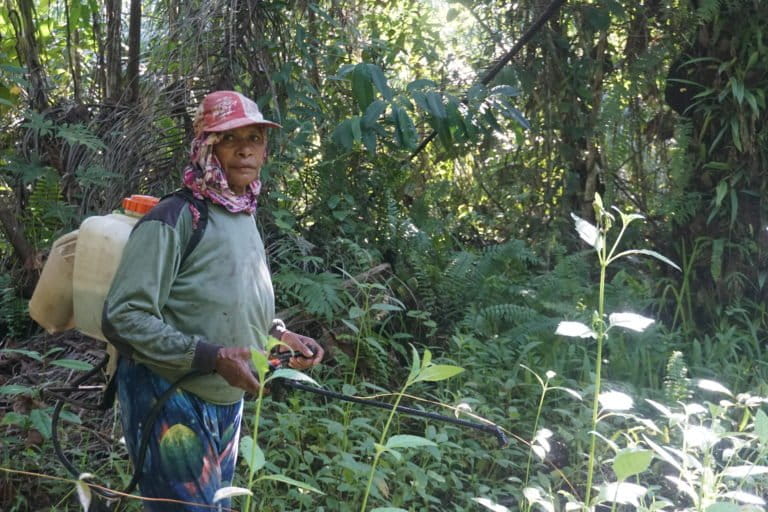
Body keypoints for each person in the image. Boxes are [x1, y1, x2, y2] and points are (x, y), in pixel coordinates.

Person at [102, 90, 324, 511]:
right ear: (205, 147)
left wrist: (278, 335)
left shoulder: (242, 212)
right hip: (168, 393)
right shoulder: (175, 217)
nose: (245, 149)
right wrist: (214, 356)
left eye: (254, 138)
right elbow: (122, 316)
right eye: (228, 138)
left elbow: (229, 296)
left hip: (225, 399)